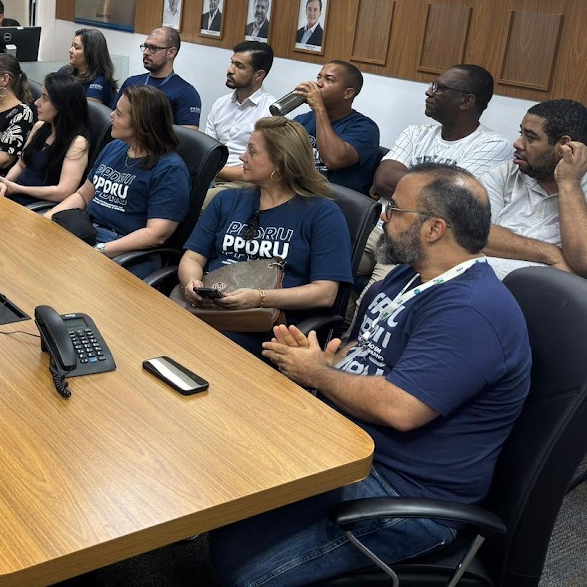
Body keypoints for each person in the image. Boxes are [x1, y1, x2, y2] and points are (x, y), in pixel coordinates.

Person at [212, 163, 530, 585]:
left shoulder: (471, 311)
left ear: (434, 229)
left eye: (395, 210)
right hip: (347, 448)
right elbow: (360, 346)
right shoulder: (407, 276)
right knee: (219, 486)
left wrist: (318, 375)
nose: (383, 217)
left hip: (402, 493)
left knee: (248, 576)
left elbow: (401, 409)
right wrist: (326, 361)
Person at [177, 117, 354, 347]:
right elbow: (193, 257)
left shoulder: (323, 214)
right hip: (208, 310)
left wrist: (259, 298)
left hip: (264, 327)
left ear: (280, 163)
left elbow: (325, 293)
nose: (243, 157)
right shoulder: (227, 200)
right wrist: (192, 282)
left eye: (252, 151)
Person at [365, 64, 512, 282]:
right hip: (377, 228)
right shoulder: (415, 133)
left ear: (466, 101)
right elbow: (383, 178)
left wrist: (404, 184)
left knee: (375, 298)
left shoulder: (492, 145)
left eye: (440, 88)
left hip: (418, 243)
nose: (429, 92)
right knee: (323, 268)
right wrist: (429, 189)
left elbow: (449, 199)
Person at [46, 85, 189, 277]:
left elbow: (156, 234)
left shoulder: (170, 170)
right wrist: (49, 217)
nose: (111, 115)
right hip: (87, 232)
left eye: (119, 114)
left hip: (127, 251)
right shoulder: (114, 148)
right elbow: (83, 196)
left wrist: (102, 249)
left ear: (141, 125)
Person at [483, 99, 587, 279]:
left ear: (564, 146)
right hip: (480, 284)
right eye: (521, 133)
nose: (517, 144)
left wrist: (569, 183)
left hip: (546, 294)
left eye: (530, 138)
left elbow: (584, 261)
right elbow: (473, 234)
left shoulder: (579, 186)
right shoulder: (504, 173)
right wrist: (551, 254)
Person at [0, 72, 91, 206]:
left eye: (44, 98)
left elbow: (63, 192)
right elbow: (21, 165)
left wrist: (19, 189)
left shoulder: (77, 143)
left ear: (61, 105)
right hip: (15, 196)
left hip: (37, 207)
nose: (36, 102)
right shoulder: (40, 127)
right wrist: (5, 183)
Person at [291, 61, 382, 194]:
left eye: (329, 79)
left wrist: (319, 108)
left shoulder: (365, 128)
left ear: (348, 93)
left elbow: (333, 159)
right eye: (318, 77)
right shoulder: (302, 120)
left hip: (333, 201)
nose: (318, 84)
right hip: (299, 193)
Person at [205, 42, 277, 193]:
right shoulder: (220, 104)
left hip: (244, 184)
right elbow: (208, 149)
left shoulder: (271, 113)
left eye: (239, 66)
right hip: (208, 176)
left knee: (200, 201)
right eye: (232, 63)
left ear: (259, 75)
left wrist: (212, 168)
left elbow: (263, 170)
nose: (230, 70)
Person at [116, 26, 202, 129]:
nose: (146, 52)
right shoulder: (131, 82)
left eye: (153, 48)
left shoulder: (186, 93)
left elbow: (187, 136)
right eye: (145, 46)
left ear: (171, 52)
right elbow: (113, 118)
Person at [63, 27, 117, 104]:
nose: (70, 50)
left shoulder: (100, 82)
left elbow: (88, 109)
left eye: (76, 47)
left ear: (90, 53)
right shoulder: (64, 71)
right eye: (72, 46)